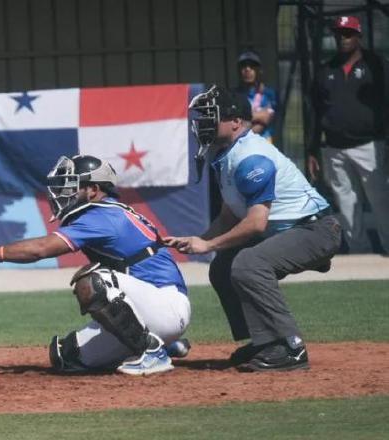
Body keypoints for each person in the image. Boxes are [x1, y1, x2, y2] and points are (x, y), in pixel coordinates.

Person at [165, 85, 342, 372]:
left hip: (317, 230)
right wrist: (198, 239)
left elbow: (256, 222)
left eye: (212, 117)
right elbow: (229, 216)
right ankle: (266, 342)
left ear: (236, 122)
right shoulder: (226, 154)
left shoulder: (250, 157)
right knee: (223, 266)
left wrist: (208, 245)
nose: (203, 124)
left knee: (248, 263)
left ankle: (289, 346)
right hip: (291, 231)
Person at [0, 154, 191, 376]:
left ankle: (152, 350)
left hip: (166, 304)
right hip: (152, 308)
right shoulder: (105, 211)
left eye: (72, 185)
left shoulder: (101, 216)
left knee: (93, 281)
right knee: (66, 356)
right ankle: (163, 342)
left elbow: (41, 248)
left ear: (93, 190)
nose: (62, 192)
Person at [308, 16, 389, 254]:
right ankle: (359, 251)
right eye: (338, 34)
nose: (342, 38)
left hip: (369, 145)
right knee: (346, 203)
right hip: (333, 148)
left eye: (347, 33)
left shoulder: (378, 65)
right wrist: (312, 148)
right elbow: (314, 111)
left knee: (380, 200)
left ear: (358, 36)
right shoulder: (326, 70)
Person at [235, 50, 277, 143]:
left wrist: (244, 121)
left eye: (252, 66)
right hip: (241, 145)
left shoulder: (268, 94)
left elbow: (266, 118)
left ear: (259, 70)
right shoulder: (234, 95)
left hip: (264, 142)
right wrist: (257, 116)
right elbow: (233, 122)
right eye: (243, 66)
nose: (247, 69)